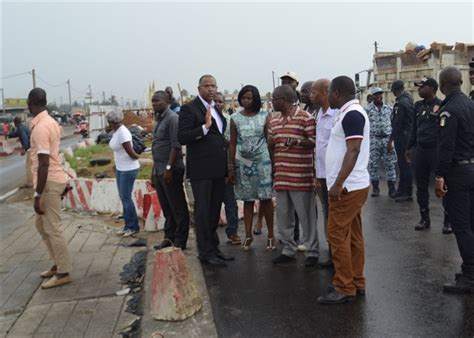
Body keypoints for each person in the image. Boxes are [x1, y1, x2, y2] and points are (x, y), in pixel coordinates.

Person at [317, 76, 370, 304]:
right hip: (352, 185)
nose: (327, 96)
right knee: (353, 235)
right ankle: (356, 281)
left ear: (336, 93)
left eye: (329, 92)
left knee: (336, 235)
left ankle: (344, 286)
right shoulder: (348, 112)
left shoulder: (353, 114)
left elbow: (354, 150)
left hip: (348, 187)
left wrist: (337, 184)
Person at [178, 74, 234, 267]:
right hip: (201, 171)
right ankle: (205, 252)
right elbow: (182, 136)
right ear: (199, 88)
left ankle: (214, 249)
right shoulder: (189, 109)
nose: (211, 89)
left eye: (214, 86)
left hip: (218, 170)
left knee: (213, 212)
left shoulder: (216, 109)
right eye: (207, 86)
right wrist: (204, 127)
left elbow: (219, 136)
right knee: (202, 213)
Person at [267, 85, 319, 267]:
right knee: (284, 216)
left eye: (275, 99)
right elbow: (272, 145)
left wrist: (297, 141)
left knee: (306, 216)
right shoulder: (274, 121)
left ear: (285, 99)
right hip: (281, 176)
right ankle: (288, 249)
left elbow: (313, 142)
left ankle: (312, 250)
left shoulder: (306, 118)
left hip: (301, 176)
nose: (272, 102)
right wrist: (271, 143)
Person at [434, 67, 474, 294]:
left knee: (461, 226)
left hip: (458, 174)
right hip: (471, 168)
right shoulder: (470, 104)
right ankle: (470, 269)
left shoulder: (449, 111)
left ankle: (469, 275)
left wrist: (439, 175)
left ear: (442, 85)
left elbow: (446, 147)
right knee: (471, 224)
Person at [28, 88, 72, 289]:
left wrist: (38, 194)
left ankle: (63, 272)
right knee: (41, 225)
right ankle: (57, 264)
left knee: (53, 228)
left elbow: (44, 163)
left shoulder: (41, 128)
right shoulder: (51, 122)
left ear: (31, 103)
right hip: (52, 179)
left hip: (49, 182)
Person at [228, 85, 274, 251]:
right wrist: (231, 166)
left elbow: (269, 140)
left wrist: (274, 163)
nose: (246, 101)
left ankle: (271, 235)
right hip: (243, 163)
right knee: (247, 199)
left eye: (249, 98)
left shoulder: (265, 116)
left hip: (263, 162)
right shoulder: (234, 118)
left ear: (255, 99)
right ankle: (248, 235)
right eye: (244, 97)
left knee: (266, 198)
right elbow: (232, 143)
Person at [406, 78, 452, 234]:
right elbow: (414, 129)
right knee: (421, 185)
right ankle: (424, 218)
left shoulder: (442, 106)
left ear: (432, 88)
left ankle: (448, 220)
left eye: (422, 87)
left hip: (436, 151)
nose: (419, 90)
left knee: (443, 185)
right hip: (421, 151)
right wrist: (409, 147)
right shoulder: (417, 106)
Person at [149, 91, 189, 251]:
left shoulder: (173, 118)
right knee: (167, 207)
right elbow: (157, 146)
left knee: (177, 207)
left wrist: (168, 168)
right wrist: (155, 171)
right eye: (152, 101)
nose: (154, 104)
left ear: (166, 101)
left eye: (157, 101)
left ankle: (181, 240)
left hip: (170, 170)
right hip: (159, 170)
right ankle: (169, 237)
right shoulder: (159, 119)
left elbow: (176, 146)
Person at [311, 78, 338, 267]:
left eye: (314, 91)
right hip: (322, 175)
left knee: (337, 217)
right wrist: (316, 174)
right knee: (328, 214)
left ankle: (340, 257)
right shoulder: (319, 114)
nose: (311, 95)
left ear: (326, 92)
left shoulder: (337, 114)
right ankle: (332, 252)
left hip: (335, 176)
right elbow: (319, 146)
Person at [106, 110, 141, 237]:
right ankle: (127, 226)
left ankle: (133, 226)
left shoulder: (122, 133)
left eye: (109, 122)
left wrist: (139, 158)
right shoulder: (116, 131)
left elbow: (131, 153)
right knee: (123, 197)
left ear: (113, 122)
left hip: (128, 169)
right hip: (121, 168)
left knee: (126, 199)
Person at [215, 92, 241, 245]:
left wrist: (230, 169)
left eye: (220, 102)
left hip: (226, 168)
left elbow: (231, 145)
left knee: (230, 203)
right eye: (215, 101)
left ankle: (233, 232)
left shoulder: (228, 120)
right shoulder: (205, 121)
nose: (217, 104)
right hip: (210, 170)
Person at [367, 87, 397, 197]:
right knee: (373, 165)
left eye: (380, 94)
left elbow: (394, 123)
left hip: (387, 139)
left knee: (390, 164)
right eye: (376, 94)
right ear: (372, 96)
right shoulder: (367, 110)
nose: (379, 96)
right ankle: (375, 188)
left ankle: (392, 189)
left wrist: (392, 139)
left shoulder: (389, 109)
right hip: (374, 139)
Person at [389, 80, 414, 202]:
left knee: (405, 165)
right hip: (407, 135)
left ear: (395, 90)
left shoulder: (401, 103)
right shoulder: (408, 100)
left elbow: (398, 124)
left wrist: (391, 139)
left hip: (402, 137)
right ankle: (402, 189)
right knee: (403, 164)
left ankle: (407, 192)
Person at [8, 116, 32, 187]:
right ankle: (33, 181)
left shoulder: (20, 129)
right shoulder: (21, 127)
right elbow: (15, 134)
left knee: (29, 166)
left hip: (30, 148)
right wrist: (9, 135)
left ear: (15, 123)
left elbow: (24, 138)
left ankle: (30, 183)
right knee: (32, 165)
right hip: (32, 146)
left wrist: (24, 149)